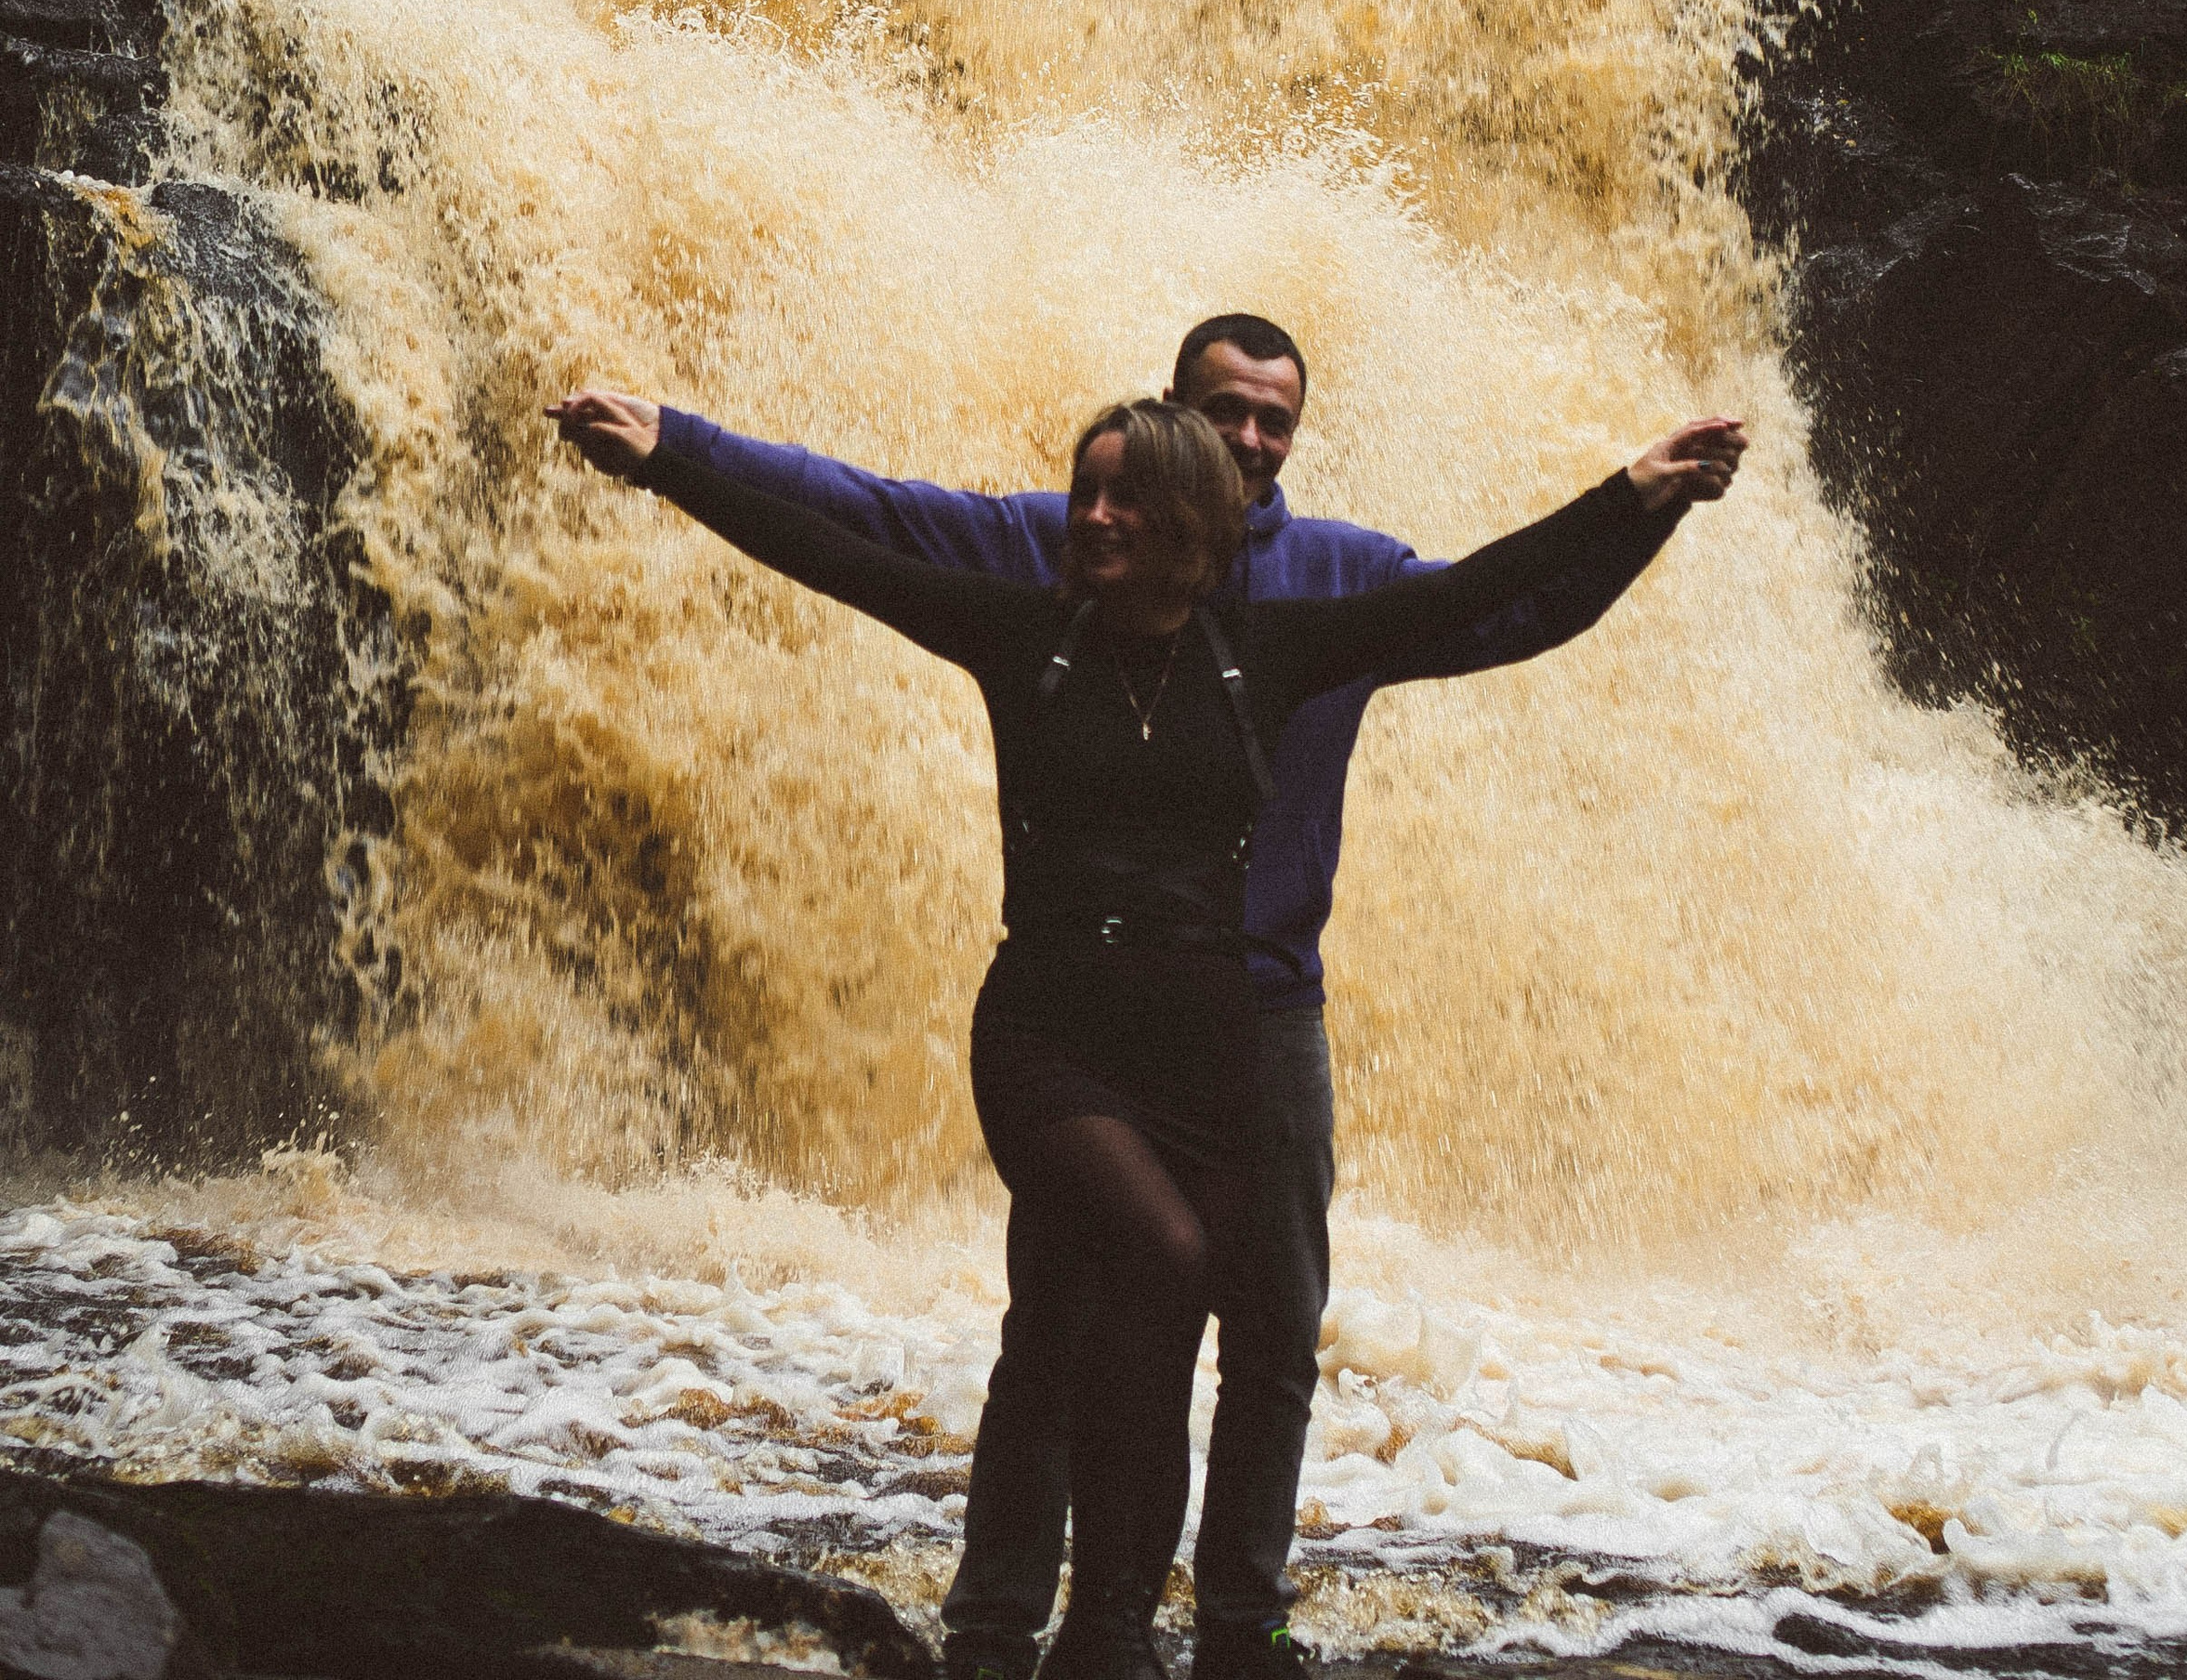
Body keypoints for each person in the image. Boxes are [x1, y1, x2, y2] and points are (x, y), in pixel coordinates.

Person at [553, 331, 1745, 1677]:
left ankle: (1168, 1628)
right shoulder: (1032, 589)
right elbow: (848, 533)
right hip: (1062, 1032)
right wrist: (674, 460)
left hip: (1234, 1036)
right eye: (1219, 417)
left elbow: (1496, 595)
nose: (1245, 443)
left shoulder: (1296, 622)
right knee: (1090, 1308)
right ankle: (999, 1629)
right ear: (1175, 431)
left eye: (1272, 421)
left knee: (1243, 1332)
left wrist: (1638, 500)